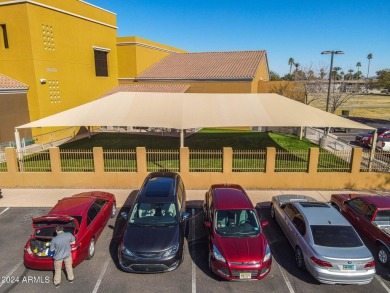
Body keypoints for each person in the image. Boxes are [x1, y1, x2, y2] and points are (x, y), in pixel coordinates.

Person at [50, 224, 75, 288]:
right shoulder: (69, 235)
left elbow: (51, 249)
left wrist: (56, 247)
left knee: (58, 269)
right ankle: (71, 279)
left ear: (56, 230)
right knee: (69, 267)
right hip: (67, 255)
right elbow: (73, 242)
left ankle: (57, 283)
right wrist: (68, 244)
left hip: (58, 257)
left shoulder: (54, 239)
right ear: (62, 229)